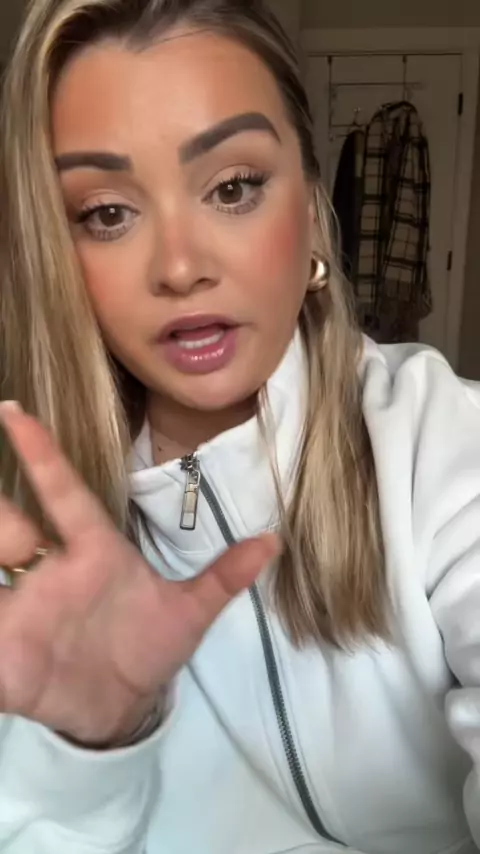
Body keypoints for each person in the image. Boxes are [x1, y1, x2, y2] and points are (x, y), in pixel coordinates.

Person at [0, 0, 479, 852]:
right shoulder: (29, 544)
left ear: (311, 204)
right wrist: (92, 755)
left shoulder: (440, 439)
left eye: (232, 188)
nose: (180, 267)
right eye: (106, 212)